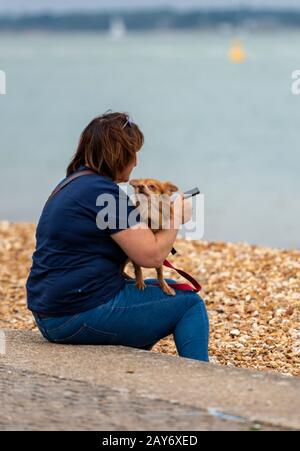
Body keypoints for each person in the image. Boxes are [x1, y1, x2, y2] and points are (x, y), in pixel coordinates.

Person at [26, 111, 209, 362]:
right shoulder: (103, 193)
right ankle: (202, 379)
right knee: (189, 302)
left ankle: (129, 363)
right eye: (134, 153)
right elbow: (151, 255)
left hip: (50, 311)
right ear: (120, 154)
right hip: (75, 315)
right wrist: (174, 218)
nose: (136, 163)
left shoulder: (72, 184)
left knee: (159, 289)